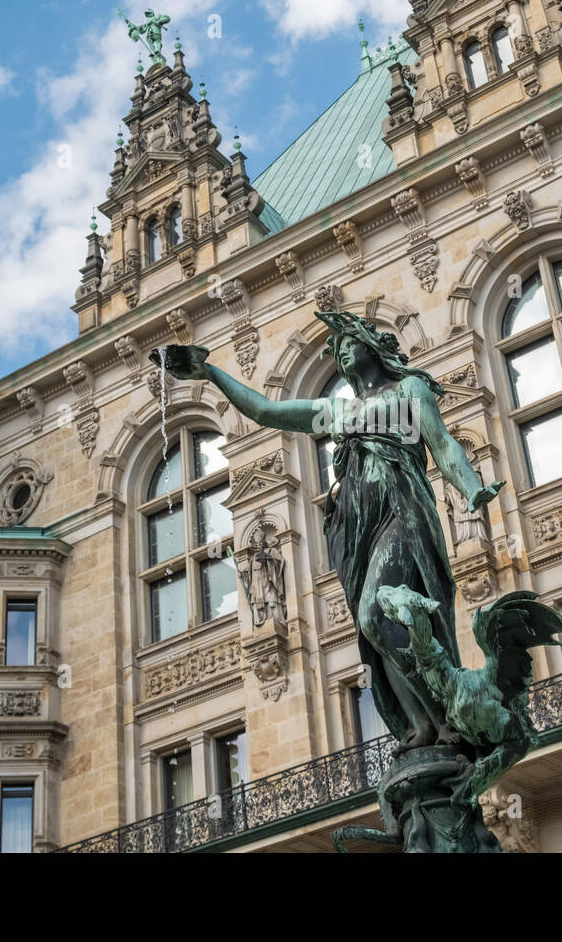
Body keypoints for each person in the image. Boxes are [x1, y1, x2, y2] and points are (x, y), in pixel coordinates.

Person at [156, 310, 503, 752]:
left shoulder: (409, 390)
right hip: (355, 524)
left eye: (346, 344)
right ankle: (421, 726)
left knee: (379, 615)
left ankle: (443, 714)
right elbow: (266, 410)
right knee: (371, 629)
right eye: (335, 351)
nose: (340, 354)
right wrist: (209, 373)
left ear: (372, 347)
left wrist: (471, 488)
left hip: (402, 507)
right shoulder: (336, 410)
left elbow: (443, 443)